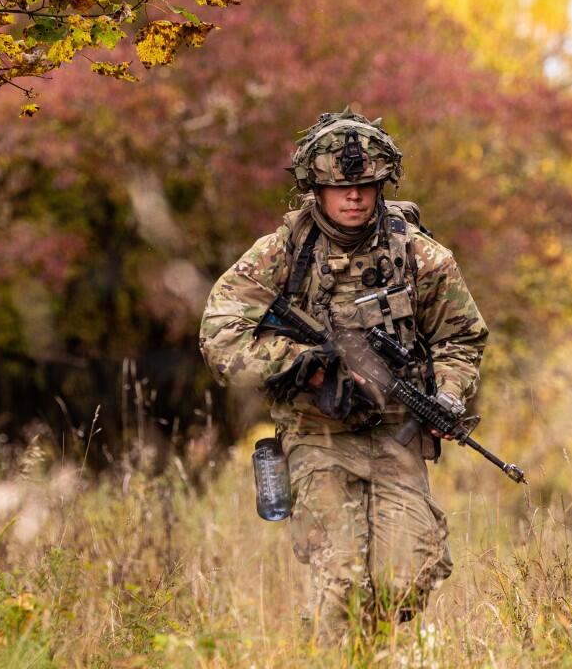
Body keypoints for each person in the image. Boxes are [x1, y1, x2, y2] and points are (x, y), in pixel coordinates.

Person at [199, 107, 488, 639]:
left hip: (396, 434)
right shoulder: (281, 254)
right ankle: (331, 649)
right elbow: (220, 335)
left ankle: (359, 648)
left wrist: (447, 396)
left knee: (407, 578)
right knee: (342, 579)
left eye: (366, 185)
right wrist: (304, 366)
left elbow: (461, 337)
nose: (354, 197)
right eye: (340, 187)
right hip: (316, 435)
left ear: (383, 186)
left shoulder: (420, 256)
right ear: (315, 188)